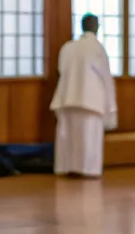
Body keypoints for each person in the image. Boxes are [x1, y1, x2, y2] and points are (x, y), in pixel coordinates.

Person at [50, 13, 117, 177]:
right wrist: (111, 107)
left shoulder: (68, 47)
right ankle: (88, 170)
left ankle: (67, 167)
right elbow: (105, 78)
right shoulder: (97, 48)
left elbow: (61, 70)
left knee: (68, 136)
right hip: (90, 98)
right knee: (89, 137)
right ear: (97, 27)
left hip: (67, 96)